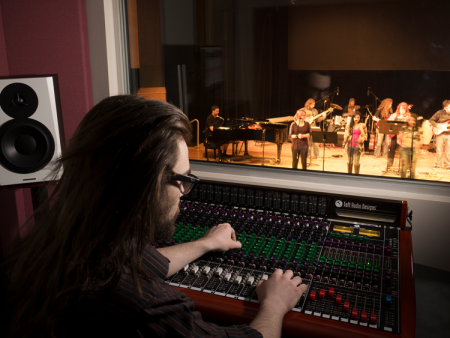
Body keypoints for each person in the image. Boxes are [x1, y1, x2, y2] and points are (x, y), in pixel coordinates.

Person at [1, 96, 307, 338]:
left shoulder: (57, 244)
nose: (184, 193)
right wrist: (275, 305)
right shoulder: (144, 306)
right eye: (183, 179)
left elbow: (141, 262)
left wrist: (204, 244)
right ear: (147, 184)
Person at [398, 113, 423, 179]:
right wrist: (401, 143)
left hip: (414, 150)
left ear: (415, 121)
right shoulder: (403, 128)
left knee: (412, 169)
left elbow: (421, 140)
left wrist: (418, 147)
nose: (411, 122)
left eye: (412, 120)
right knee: (404, 168)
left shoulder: (419, 129)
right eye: (409, 120)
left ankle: (412, 182)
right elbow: (399, 138)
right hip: (404, 150)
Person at [386, 102, 411, 168]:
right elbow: (387, 123)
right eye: (401, 109)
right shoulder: (394, 115)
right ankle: (390, 163)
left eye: (403, 109)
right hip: (394, 135)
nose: (402, 111)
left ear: (406, 110)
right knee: (392, 148)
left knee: (403, 150)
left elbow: (410, 125)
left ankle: (404, 164)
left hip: (403, 136)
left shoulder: (408, 116)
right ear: (398, 109)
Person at [429, 100, 450, 170]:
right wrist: (437, 125)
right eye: (446, 108)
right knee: (439, 150)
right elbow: (431, 120)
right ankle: (438, 165)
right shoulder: (439, 112)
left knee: (448, 151)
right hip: (440, 134)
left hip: (449, 135)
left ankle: (447, 165)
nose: (448, 109)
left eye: (449, 107)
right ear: (444, 107)